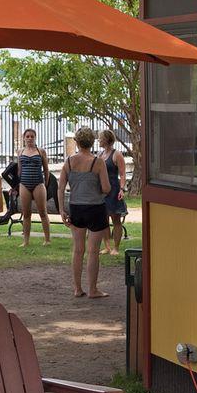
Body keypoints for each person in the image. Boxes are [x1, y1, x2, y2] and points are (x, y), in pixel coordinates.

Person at [59, 125, 113, 298]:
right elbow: (106, 188)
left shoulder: (68, 161)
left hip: (76, 207)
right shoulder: (98, 162)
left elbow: (60, 188)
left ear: (76, 141)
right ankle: (93, 289)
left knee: (78, 249)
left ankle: (77, 288)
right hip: (95, 208)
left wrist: (62, 210)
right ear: (92, 142)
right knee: (93, 251)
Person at [15, 128, 51, 247]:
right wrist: (16, 185)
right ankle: (26, 241)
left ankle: (47, 239)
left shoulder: (40, 151)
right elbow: (19, 170)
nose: (30, 138)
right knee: (26, 214)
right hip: (24, 184)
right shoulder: (20, 152)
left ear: (35, 138)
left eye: (32, 136)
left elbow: (46, 169)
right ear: (24, 138)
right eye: (27, 136)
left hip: (38, 184)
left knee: (42, 212)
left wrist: (45, 183)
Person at [105, 137, 129, 253]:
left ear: (106, 140)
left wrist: (122, 189)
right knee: (103, 220)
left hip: (114, 190)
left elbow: (122, 174)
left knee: (116, 220)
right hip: (102, 191)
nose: (98, 140)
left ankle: (116, 247)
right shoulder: (100, 154)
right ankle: (107, 246)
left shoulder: (117, 154)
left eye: (100, 138)